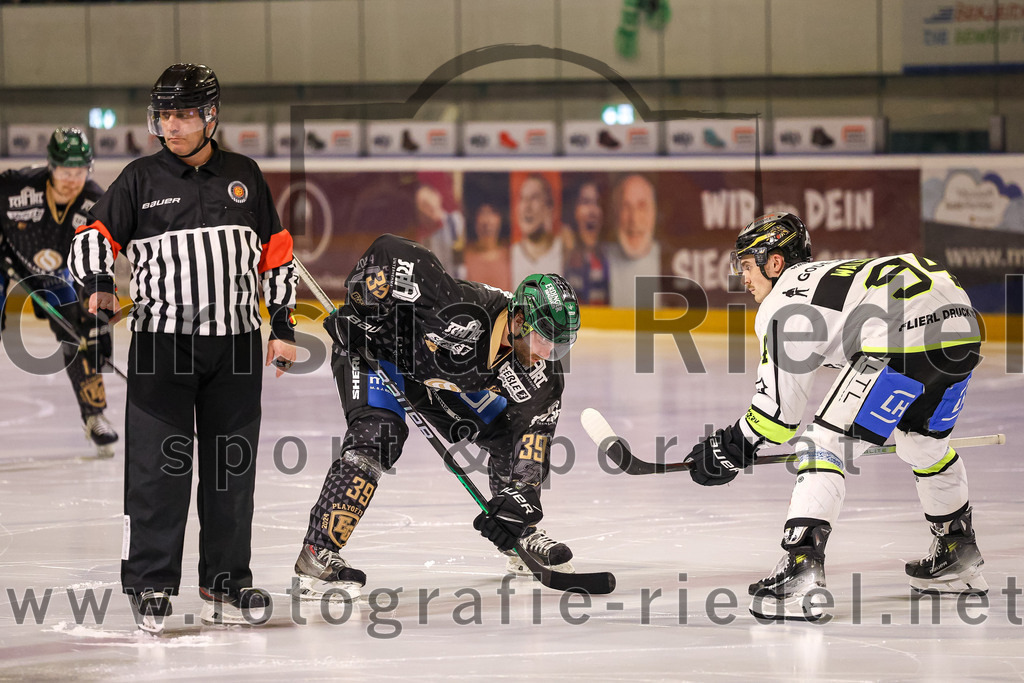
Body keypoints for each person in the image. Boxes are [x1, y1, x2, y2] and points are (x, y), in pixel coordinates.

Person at [67, 64, 297, 633]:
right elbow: (90, 238)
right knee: (156, 474)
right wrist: (98, 284)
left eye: (182, 114)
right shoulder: (140, 179)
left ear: (210, 115)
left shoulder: (244, 175)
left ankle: (224, 585)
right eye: (163, 115)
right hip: (162, 350)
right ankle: (149, 587)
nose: (170, 125)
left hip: (237, 350)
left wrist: (284, 326)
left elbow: (276, 254)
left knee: (230, 474)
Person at [683, 212, 986, 621]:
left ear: (775, 263)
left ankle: (801, 568)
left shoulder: (782, 303)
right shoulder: (831, 279)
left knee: (825, 444)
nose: (744, 278)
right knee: (924, 444)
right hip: (963, 328)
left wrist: (727, 449)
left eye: (748, 266)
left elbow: (776, 418)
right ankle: (958, 550)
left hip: (902, 335)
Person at [294, 233, 580, 601]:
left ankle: (520, 540)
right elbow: (391, 251)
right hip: (374, 352)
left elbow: (535, 436)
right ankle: (316, 555)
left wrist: (520, 499)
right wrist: (360, 309)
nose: (548, 354)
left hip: (434, 379)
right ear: (519, 319)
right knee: (379, 436)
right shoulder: (459, 307)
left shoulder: (540, 372)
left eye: (560, 345)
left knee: (508, 433)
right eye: (544, 340)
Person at [0, 128, 119, 457]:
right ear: (51, 167)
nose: (72, 178)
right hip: (9, 262)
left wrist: (98, 318)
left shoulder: (96, 202)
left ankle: (94, 415)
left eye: (80, 170)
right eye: (66, 170)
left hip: (62, 278)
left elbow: (98, 259)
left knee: (81, 332)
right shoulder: (15, 187)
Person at [606, 174, 660, 308]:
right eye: (626, 207)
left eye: (642, 206)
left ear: (654, 212)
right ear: (615, 214)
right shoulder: (599, 261)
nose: (634, 219)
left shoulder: (672, 263)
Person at [562, 179, 609, 305]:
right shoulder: (564, 252)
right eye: (586, 202)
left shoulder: (609, 256)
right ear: (574, 211)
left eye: (597, 203)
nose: (593, 210)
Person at [510, 173, 562, 285]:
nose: (526, 206)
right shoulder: (510, 255)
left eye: (534, 198)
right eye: (522, 198)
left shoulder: (564, 252)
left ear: (549, 207)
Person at [463, 200, 512, 291]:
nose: (487, 221)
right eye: (481, 213)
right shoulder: (464, 255)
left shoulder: (512, 254)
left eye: (493, 212)